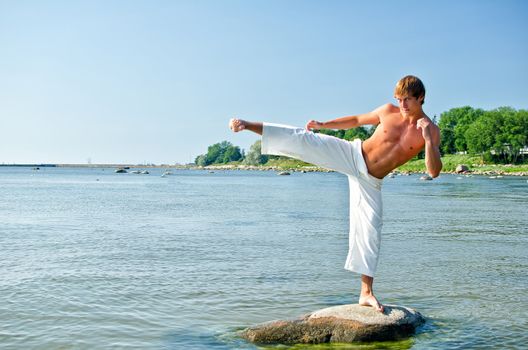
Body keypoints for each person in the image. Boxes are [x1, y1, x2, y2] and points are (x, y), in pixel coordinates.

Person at [228, 75, 442, 312]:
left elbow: (433, 172)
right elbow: (357, 120)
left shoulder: (431, 131)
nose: (402, 105)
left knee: (370, 229)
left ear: (421, 98)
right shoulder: (388, 111)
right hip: (353, 154)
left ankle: (366, 293)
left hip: (371, 181)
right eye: (399, 99)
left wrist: (429, 141)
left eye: (407, 100)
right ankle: (248, 125)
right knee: (307, 139)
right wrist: (323, 125)